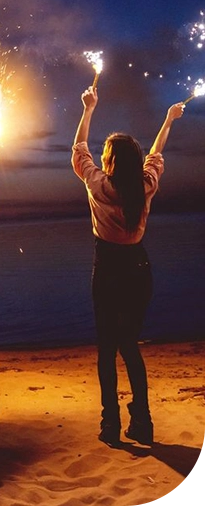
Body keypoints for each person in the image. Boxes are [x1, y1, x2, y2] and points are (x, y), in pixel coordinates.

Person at [72, 86, 185, 447]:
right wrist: (168, 120)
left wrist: (88, 110)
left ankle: (110, 424)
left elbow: (78, 150)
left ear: (110, 162)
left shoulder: (97, 184)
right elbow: (156, 153)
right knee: (129, 345)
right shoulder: (145, 185)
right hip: (139, 270)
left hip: (107, 270)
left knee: (107, 349)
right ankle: (143, 420)